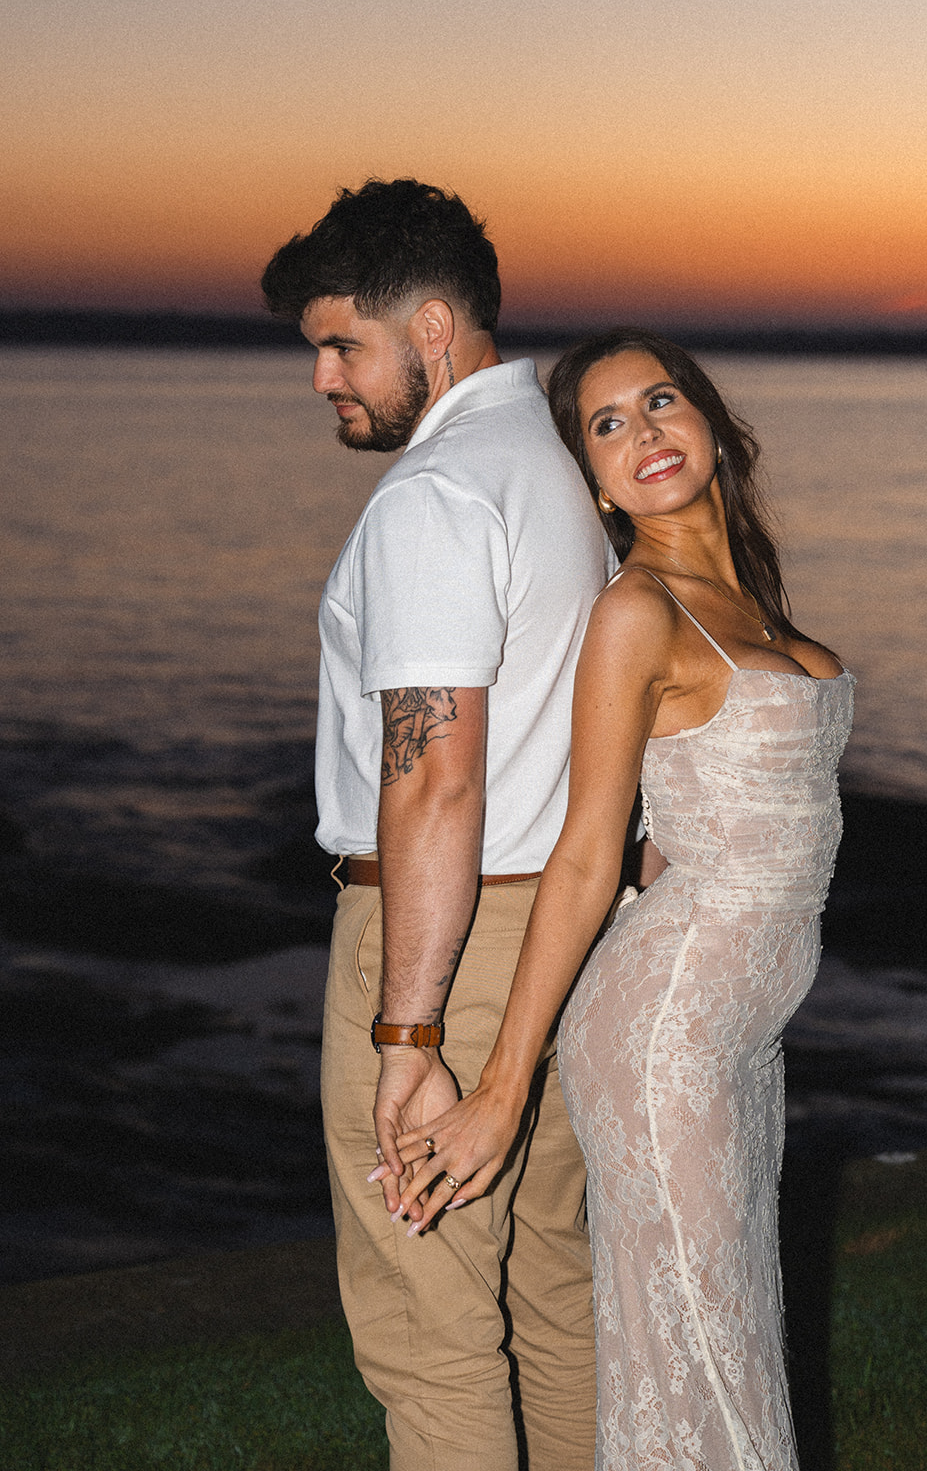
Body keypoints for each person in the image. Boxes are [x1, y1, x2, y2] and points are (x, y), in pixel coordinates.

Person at [390, 329, 855, 1471]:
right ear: (591, 479)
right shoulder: (638, 612)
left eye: (659, 401)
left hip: (740, 1037)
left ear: (709, 421)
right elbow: (587, 855)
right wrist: (503, 1087)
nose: (642, 432)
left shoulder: (747, 599)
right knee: (699, 1348)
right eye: (606, 424)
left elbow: (702, 812)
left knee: (732, 1333)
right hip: (660, 1039)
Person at [260, 180, 607, 1471]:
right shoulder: (558, 474)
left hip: (441, 948)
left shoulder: (437, 496)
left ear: (436, 327)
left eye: (342, 344)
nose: (322, 380)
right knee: (548, 1296)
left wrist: (406, 1030)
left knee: (430, 1328)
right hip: (556, 940)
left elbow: (432, 778)